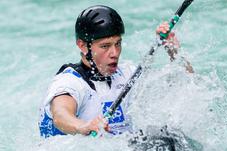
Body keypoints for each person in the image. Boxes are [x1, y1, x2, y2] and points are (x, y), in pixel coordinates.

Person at [38, 5, 192, 138]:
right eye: (105, 46)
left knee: (171, 136)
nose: (115, 53)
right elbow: (60, 115)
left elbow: (187, 88)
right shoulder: (69, 82)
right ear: (83, 45)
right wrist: (83, 127)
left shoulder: (127, 74)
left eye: (118, 43)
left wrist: (174, 51)